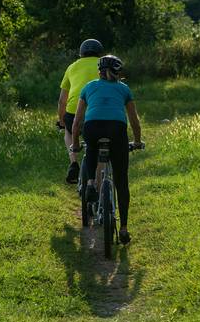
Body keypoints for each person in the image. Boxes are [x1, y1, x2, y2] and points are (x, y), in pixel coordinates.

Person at [71, 54, 143, 245]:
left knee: (91, 151)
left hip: (92, 128)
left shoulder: (88, 87)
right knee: (121, 179)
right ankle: (124, 229)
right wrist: (137, 141)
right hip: (117, 130)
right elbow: (135, 122)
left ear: (99, 71)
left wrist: (76, 144)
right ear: (118, 72)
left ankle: (91, 184)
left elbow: (77, 122)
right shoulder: (124, 89)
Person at [57, 38, 104, 184]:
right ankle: (96, 182)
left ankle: (73, 162)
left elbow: (62, 101)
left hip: (74, 112)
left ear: (81, 53)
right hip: (100, 113)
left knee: (68, 130)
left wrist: (62, 121)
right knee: (99, 145)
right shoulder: (104, 64)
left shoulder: (72, 67)